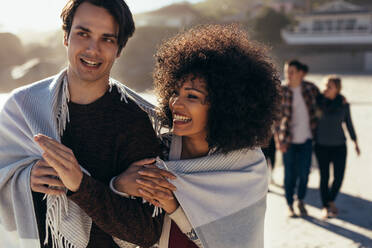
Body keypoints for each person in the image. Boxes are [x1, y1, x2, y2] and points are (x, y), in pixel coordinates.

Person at [0, 1, 173, 247]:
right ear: (66, 37)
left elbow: (147, 232)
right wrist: (24, 178)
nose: (93, 49)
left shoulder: (136, 120)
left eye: (107, 39)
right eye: (83, 34)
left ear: (119, 49)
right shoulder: (22, 107)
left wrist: (80, 184)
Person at [112, 24, 282, 248]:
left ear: (223, 106)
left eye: (191, 96)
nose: (175, 104)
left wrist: (173, 207)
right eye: (174, 92)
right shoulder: (155, 151)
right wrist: (119, 187)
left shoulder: (246, 165)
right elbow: (124, 242)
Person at [275, 60, 319, 217]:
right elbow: (276, 119)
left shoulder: (310, 89)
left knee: (304, 173)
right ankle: (289, 205)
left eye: (292, 71)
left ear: (301, 73)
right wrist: (278, 140)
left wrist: (341, 100)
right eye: (287, 71)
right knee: (289, 175)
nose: (288, 75)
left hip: (307, 139)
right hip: (288, 141)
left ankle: (300, 200)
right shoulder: (282, 91)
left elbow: (323, 103)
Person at [315, 75, 360, 219]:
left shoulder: (343, 104)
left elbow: (349, 123)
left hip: (340, 146)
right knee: (324, 176)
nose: (325, 89)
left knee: (339, 177)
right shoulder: (317, 102)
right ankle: (325, 206)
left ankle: (330, 200)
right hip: (321, 145)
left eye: (329, 86)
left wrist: (355, 142)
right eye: (325, 85)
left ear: (337, 89)